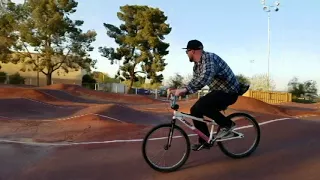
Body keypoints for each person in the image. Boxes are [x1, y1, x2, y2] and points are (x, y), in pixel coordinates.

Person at [170, 39, 246, 151]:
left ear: (193, 51)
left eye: (187, 52)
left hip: (229, 92)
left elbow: (205, 78)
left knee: (202, 105)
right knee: (194, 110)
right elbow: (195, 82)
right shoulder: (197, 66)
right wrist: (180, 90)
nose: (186, 54)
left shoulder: (209, 58)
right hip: (218, 92)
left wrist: (185, 90)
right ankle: (204, 140)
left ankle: (228, 125)